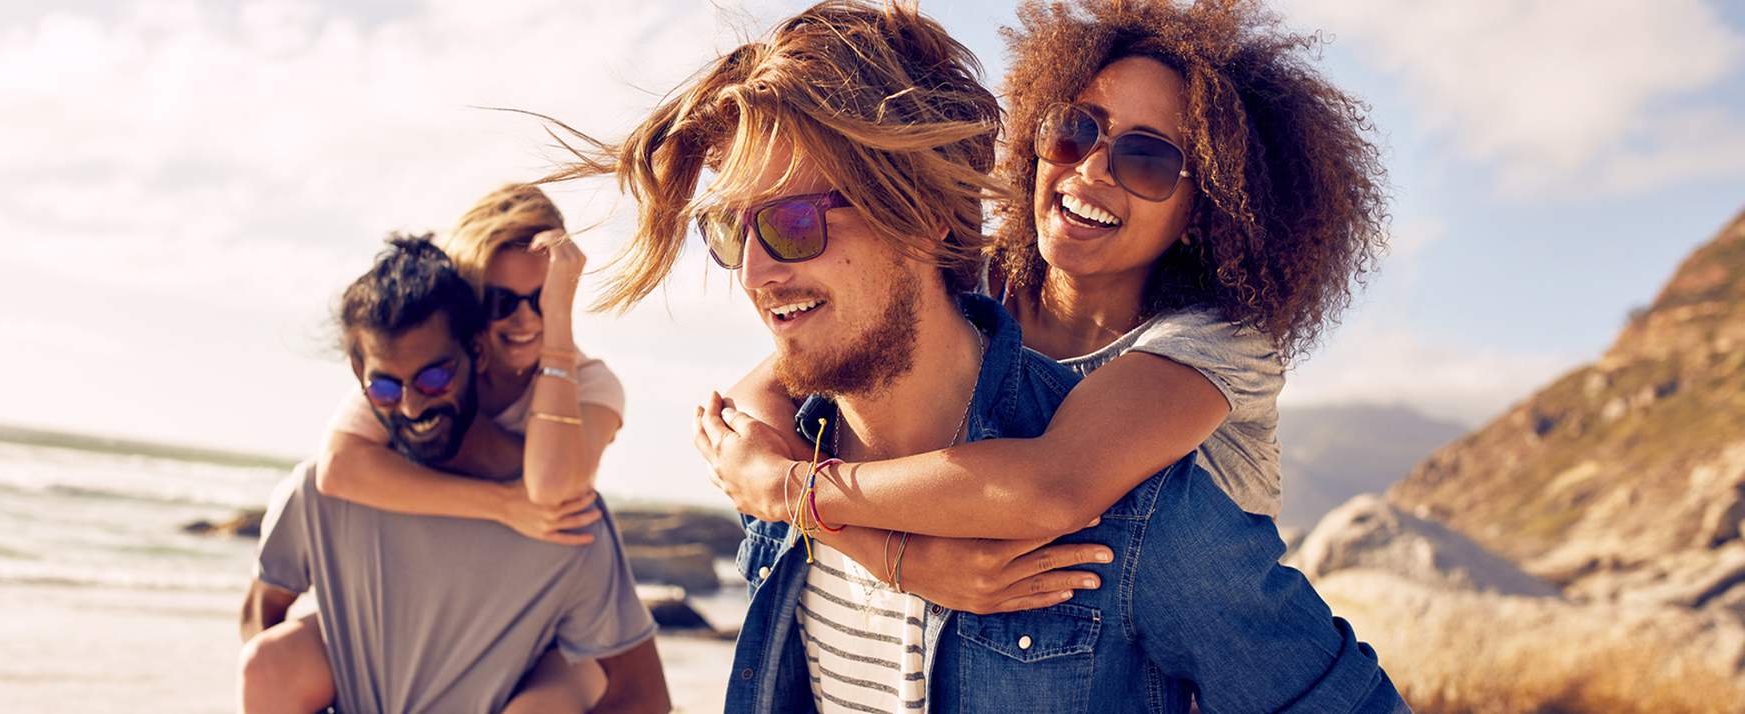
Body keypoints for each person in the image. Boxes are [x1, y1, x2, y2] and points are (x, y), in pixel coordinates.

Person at [556, 1, 1406, 712]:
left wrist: (793, 495)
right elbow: (777, 376)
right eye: (1074, 131)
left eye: (1148, 158)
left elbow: (1056, 487)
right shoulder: (963, 300)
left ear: (1206, 208)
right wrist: (884, 547)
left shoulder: (1176, 425)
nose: (1093, 169)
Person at [239, 234, 666, 714]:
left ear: (477, 356)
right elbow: (261, 611)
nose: (411, 405)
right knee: (269, 660)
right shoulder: (318, 493)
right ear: (359, 375)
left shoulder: (563, 518)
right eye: (383, 386)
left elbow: (643, 695)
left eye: (434, 377)